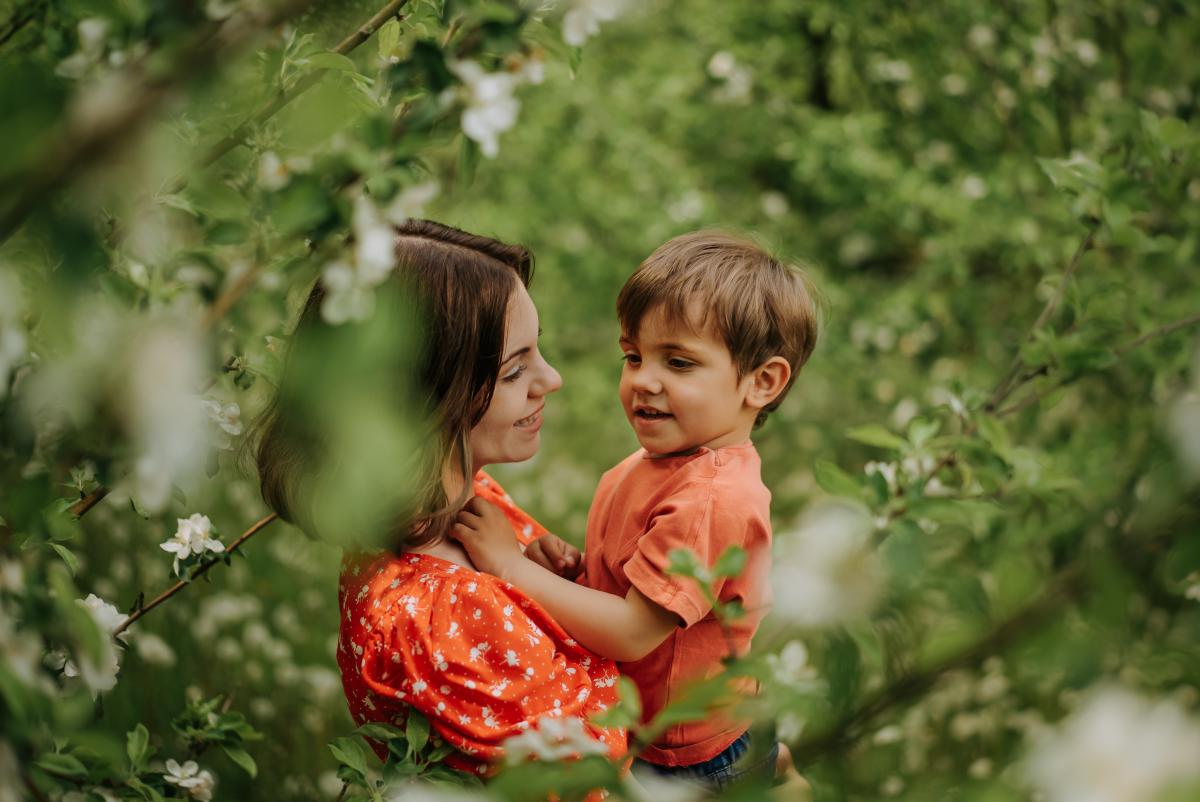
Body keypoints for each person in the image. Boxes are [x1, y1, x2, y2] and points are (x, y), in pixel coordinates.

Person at [254, 219, 626, 779]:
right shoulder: (442, 615)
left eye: (537, 351)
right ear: (419, 398)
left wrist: (545, 591)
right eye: (514, 370)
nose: (551, 379)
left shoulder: (460, 505)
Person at [451, 231, 820, 790]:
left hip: (687, 758)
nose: (644, 380)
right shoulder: (663, 462)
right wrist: (578, 574)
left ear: (761, 382)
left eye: (679, 362)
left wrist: (510, 566)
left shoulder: (709, 499)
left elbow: (631, 632)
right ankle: (769, 761)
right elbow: (637, 586)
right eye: (633, 356)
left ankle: (763, 769)